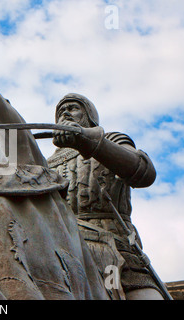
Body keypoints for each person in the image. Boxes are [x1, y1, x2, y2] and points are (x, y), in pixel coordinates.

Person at [47, 93, 164, 300]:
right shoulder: (45, 165)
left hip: (117, 249)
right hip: (65, 252)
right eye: (60, 112)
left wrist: (89, 142)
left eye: (73, 108)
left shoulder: (110, 140)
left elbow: (144, 173)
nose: (65, 112)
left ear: (89, 116)